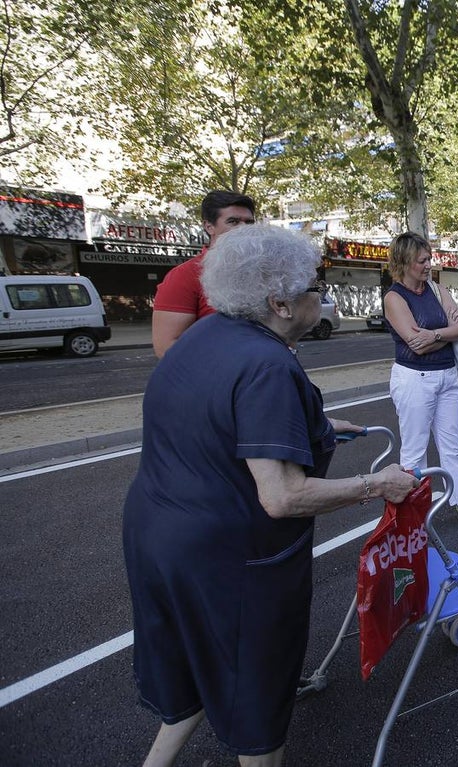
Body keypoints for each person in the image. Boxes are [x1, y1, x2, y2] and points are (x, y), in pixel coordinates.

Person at [123, 224, 417, 767]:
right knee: (255, 692)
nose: (322, 296)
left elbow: (216, 420)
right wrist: (378, 484)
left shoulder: (199, 341)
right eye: (316, 285)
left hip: (155, 539)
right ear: (280, 302)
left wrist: (316, 423)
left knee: (192, 666)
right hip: (230, 559)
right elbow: (282, 497)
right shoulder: (268, 364)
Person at [384, 231, 458, 518]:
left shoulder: (438, 290)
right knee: (414, 451)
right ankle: (413, 509)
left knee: (453, 443)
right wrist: (445, 335)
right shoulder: (394, 297)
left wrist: (435, 334)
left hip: (448, 376)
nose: (428, 265)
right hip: (415, 378)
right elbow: (416, 345)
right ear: (403, 262)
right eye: (421, 260)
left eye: (429, 259)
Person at [151, 190, 257, 357]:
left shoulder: (262, 271)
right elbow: (166, 348)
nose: (243, 229)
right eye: (233, 221)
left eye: (249, 222)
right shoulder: (184, 275)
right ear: (209, 226)